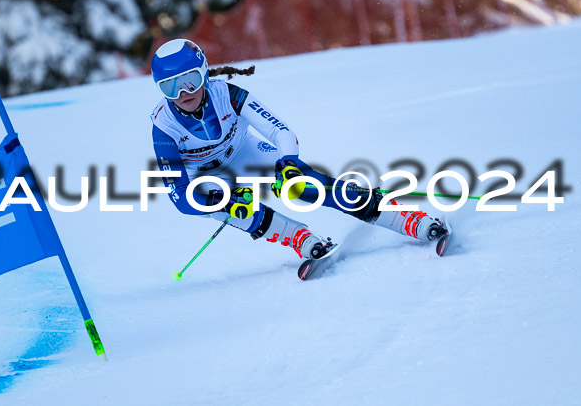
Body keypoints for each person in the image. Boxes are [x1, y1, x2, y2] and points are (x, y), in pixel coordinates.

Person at [150, 39, 447, 260]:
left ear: (204, 73)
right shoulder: (164, 126)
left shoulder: (226, 93)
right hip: (206, 178)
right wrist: (222, 201)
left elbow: (280, 131)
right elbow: (180, 197)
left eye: (190, 80)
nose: (184, 93)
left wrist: (287, 164)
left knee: (302, 185)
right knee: (238, 210)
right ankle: (299, 238)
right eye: (170, 87)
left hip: (243, 151)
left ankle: (405, 218)